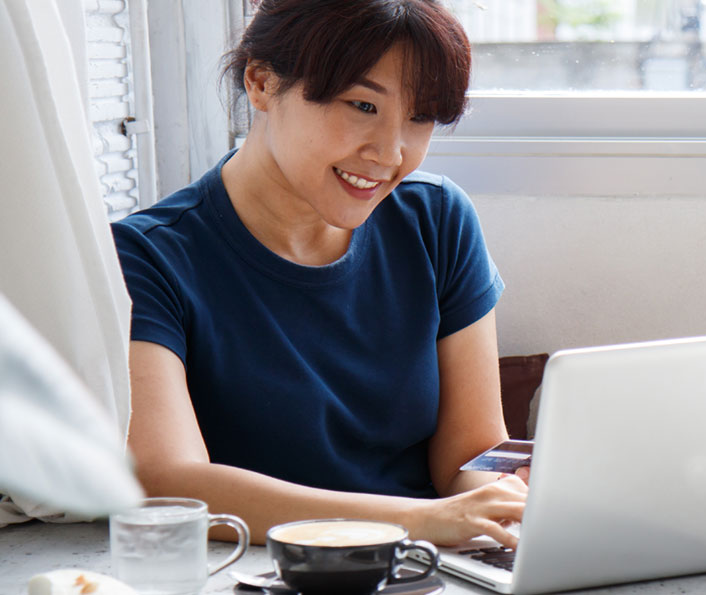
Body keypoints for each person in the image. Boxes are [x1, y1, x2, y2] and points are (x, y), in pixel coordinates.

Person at [111, 0, 526, 548]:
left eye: (420, 118)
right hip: (258, 570)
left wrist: (497, 501)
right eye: (362, 105)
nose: (391, 152)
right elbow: (167, 485)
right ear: (260, 83)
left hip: (427, 569)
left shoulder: (437, 219)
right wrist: (419, 522)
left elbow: (472, 452)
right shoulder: (147, 256)